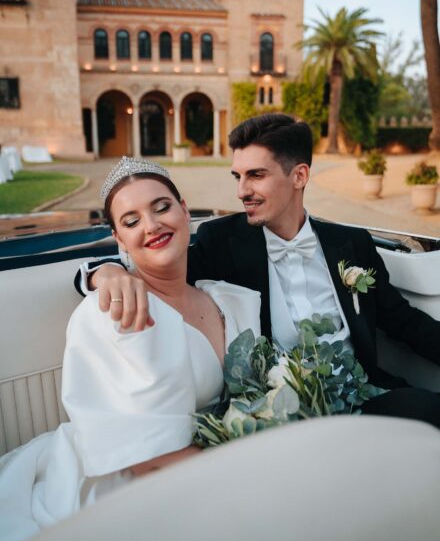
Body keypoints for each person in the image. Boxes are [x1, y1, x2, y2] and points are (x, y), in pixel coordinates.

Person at [78, 114, 440, 426]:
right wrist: (106, 272)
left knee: (428, 410)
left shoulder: (352, 243)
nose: (241, 191)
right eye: (237, 176)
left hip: (365, 394)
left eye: (255, 176)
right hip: (284, 415)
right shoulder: (221, 242)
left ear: (299, 176)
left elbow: (403, 322)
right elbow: (159, 265)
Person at [0, 159, 261, 541]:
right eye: (131, 220)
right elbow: (144, 458)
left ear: (184, 209)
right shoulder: (111, 313)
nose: (152, 226)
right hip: (129, 482)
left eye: (161, 207)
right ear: (118, 238)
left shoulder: (227, 298)